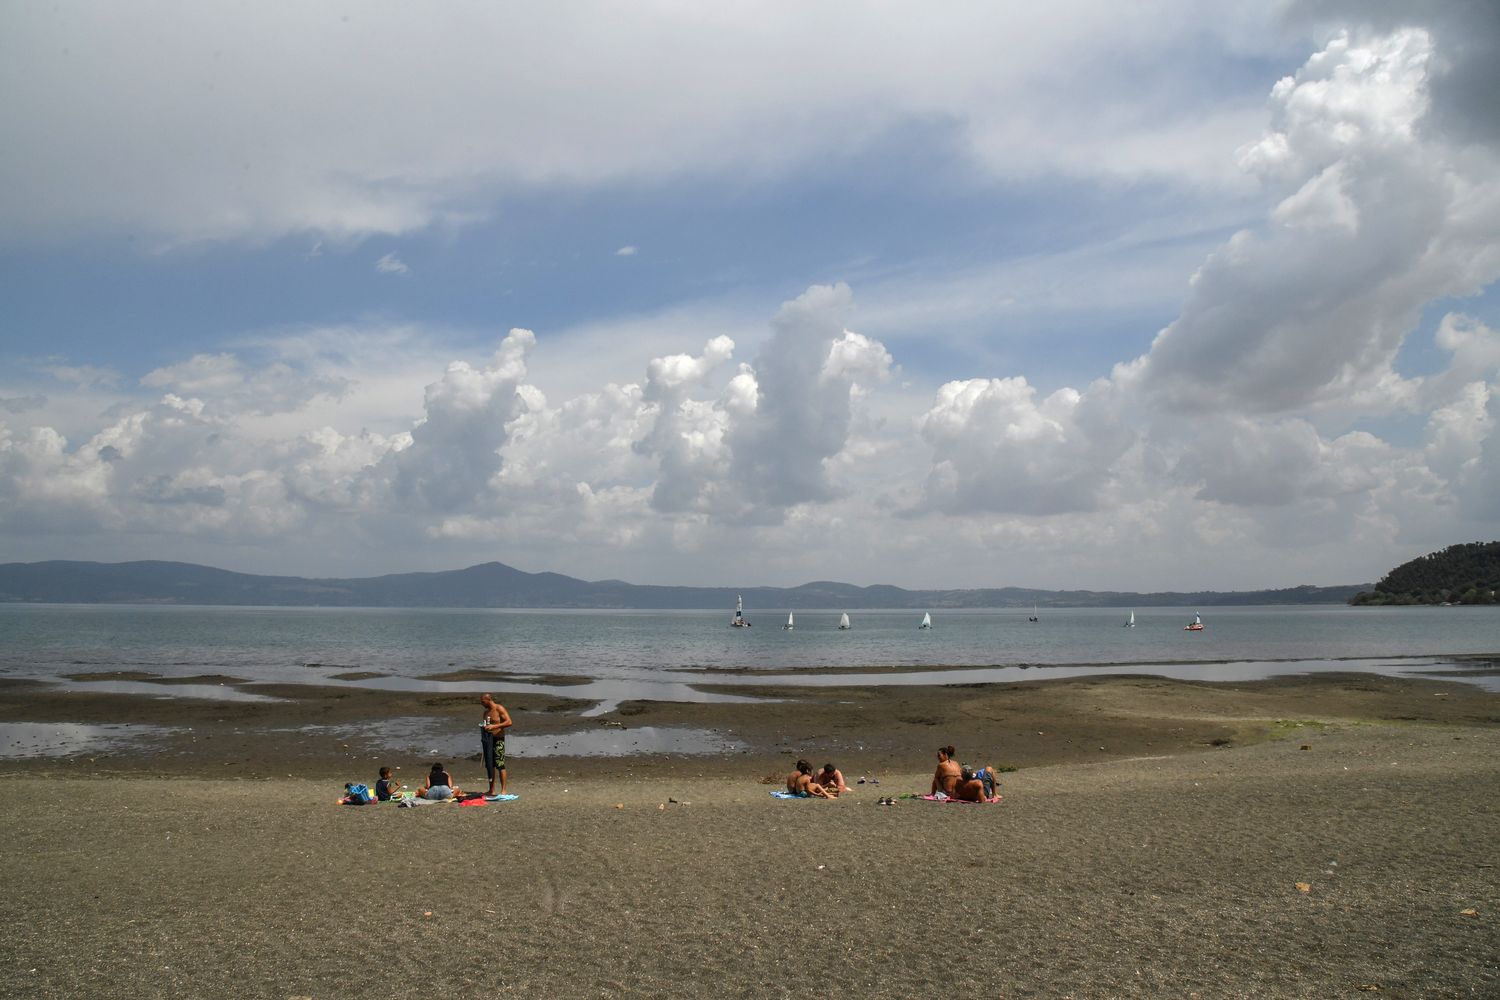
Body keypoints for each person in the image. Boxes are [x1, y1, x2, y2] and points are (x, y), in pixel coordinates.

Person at [479, 693, 513, 796]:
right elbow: (486, 726)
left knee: (500, 764)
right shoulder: (486, 713)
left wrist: (495, 726)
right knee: (490, 765)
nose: (481, 704)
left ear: (488, 699)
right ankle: (491, 789)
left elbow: (509, 722)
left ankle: (503, 790)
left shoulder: (499, 708)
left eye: (482, 701)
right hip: (488, 740)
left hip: (499, 739)